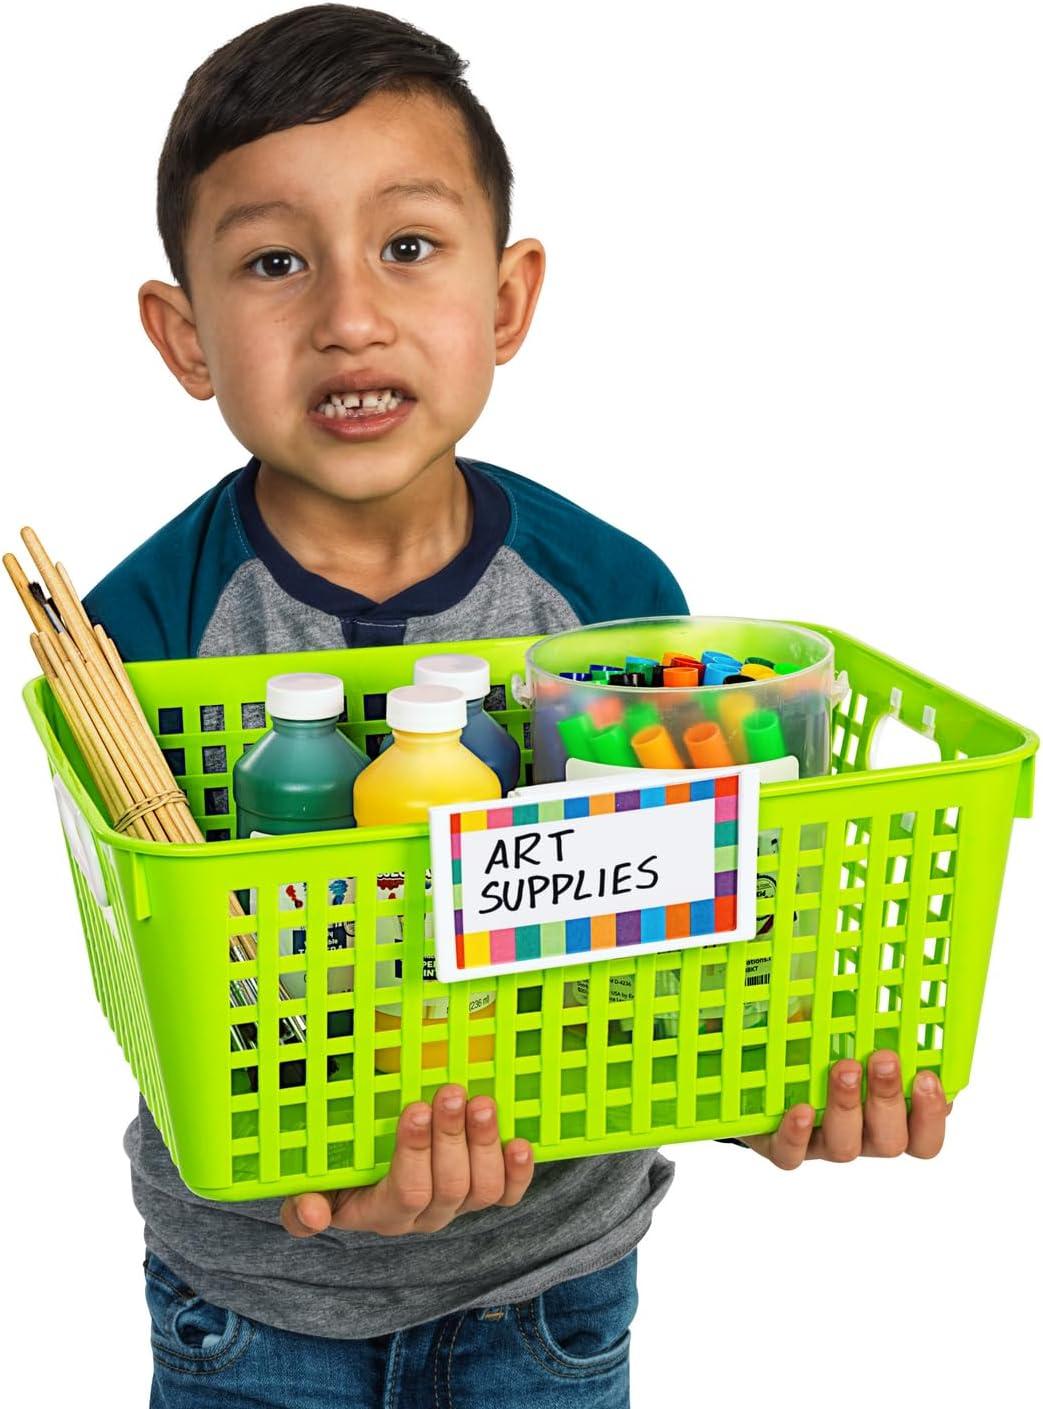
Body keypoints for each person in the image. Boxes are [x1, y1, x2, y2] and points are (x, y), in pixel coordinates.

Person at [83, 7, 953, 1405]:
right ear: (185, 336)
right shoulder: (144, 634)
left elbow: (686, 951)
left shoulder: (616, 611)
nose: (349, 313)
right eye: (275, 261)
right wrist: (329, 1169)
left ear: (505, 301)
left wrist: (779, 1089)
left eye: (409, 247)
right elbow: (174, 993)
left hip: (546, 1292)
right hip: (252, 1301)